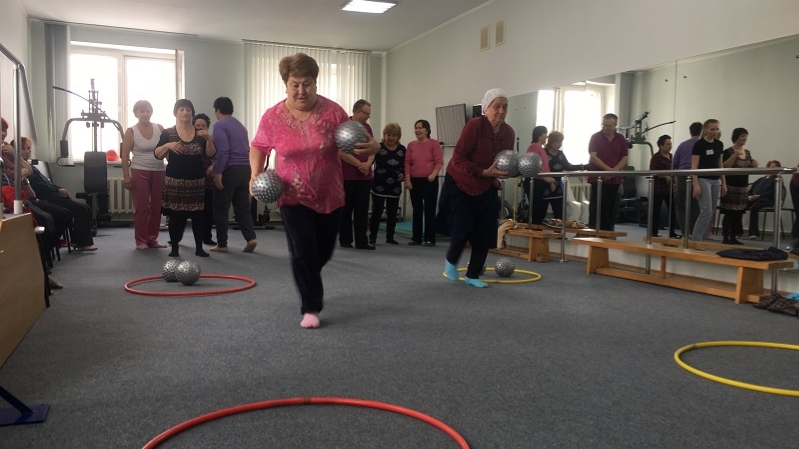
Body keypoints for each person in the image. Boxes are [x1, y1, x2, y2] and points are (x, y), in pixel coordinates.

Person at [249, 53, 380, 329]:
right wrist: (255, 173)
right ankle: (311, 306)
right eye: (294, 84)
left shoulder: (333, 112)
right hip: (291, 195)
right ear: (286, 84)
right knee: (303, 251)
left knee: (323, 253)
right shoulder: (273, 116)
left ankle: (308, 275)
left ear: (315, 83)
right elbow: (259, 146)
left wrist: (375, 147)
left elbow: (359, 139)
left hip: (330, 194)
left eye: (306, 83)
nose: (301, 90)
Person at [440, 88, 515, 288]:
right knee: (463, 226)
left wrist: (506, 172)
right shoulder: (475, 125)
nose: (501, 111)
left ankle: (473, 275)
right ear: (486, 108)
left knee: (486, 230)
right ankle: (451, 261)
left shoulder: (508, 132)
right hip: (461, 181)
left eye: (505, 106)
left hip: (486, 184)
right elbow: (458, 159)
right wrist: (482, 171)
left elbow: (506, 160)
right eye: (496, 106)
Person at [154, 99, 217, 258]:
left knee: (198, 216)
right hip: (174, 181)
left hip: (196, 182)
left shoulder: (200, 134)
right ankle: (174, 248)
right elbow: (157, 154)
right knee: (175, 216)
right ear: (175, 113)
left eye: (188, 110)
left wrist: (208, 139)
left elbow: (211, 154)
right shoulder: (168, 133)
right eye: (181, 109)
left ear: (192, 113)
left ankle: (199, 248)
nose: (185, 112)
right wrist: (168, 145)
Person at [21, 137, 98, 251]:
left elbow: (46, 183)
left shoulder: (31, 166)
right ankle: (83, 243)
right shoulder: (24, 169)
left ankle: (77, 240)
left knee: (85, 207)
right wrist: (58, 191)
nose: (27, 151)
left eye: (29, 148)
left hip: (52, 194)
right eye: (23, 149)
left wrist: (58, 189)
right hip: (46, 197)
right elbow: (40, 187)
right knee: (81, 209)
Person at [209, 97, 257, 253]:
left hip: (229, 170)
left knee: (221, 208)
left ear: (217, 110)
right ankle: (251, 238)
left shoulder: (219, 125)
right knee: (242, 207)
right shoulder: (241, 126)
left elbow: (223, 151)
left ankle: (222, 244)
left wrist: (218, 172)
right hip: (245, 170)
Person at [120, 100, 166, 250]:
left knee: (156, 207)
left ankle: (152, 239)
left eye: (148, 111)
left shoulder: (160, 128)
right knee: (142, 208)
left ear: (151, 112)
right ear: (135, 113)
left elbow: (166, 151)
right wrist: (126, 176)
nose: (145, 114)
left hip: (159, 170)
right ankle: (141, 240)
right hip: (139, 171)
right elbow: (124, 156)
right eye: (141, 111)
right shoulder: (131, 131)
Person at [339, 99, 375, 250]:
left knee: (362, 211)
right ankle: (345, 240)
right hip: (347, 177)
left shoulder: (367, 128)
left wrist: (368, 164)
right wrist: (359, 164)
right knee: (346, 210)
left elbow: (372, 149)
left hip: (365, 177)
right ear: (358, 112)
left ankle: (362, 241)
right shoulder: (344, 126)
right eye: (367, 113)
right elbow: (342, 152)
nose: (368, 116)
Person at [405, 119, 443, 246]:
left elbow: (439, 162)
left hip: (430, 180)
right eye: (416, 128)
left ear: (427, 130)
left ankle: (430, 238)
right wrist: (408, 180)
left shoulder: (434, 143)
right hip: (414, 181)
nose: (417, 130)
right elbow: (407, 163)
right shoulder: (411, 145)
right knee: (417, 210)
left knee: (429, 210)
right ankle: (416, 238)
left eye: (420, 128)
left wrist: (433, 175)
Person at [587, 113, 628, 231]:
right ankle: (595, 230)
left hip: (614, 179)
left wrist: (613, 172)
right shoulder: (595, 137)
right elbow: (593, 157)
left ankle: (609, 231)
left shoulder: (620, 138)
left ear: (615, 126)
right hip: (598, 178)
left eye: (609, 126)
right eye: (604, 125)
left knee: (611, 207)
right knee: (598, 207)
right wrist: (608, 170)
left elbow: (624, 158)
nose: (605, 128)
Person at [368, 123, 406, 245]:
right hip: (378, 186)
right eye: (388, 135)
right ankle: (372, 237)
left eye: (394, 135)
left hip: (394, 188)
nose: (391, 138)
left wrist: (403, 174)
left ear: (398, 137)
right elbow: (369, 162)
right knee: (376, 213)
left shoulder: (402, 150)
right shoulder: (378, 147)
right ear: (384, 135)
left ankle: (390, 237)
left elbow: (406, 166)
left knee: (392, 214)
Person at [691, 119, 727, 242]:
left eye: (717, 129)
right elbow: (694, 165)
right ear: (706, 130)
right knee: (706, 210)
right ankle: (696, 239)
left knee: (711, 211)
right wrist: (696, 184)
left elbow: (720, 164)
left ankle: (703, 237)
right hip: (703, 179)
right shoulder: (699, 144)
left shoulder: (719, 144)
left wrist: (724, 183)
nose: (715, 132)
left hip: (715, 180)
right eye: (712, 129)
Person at [720, 127, 757, 245]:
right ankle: (726, 237)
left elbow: (747, 168)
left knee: (738, 214)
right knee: (729, 213)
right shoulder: (728, 151)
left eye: (746, 136)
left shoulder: (748, 153)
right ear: (736, 137)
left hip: (743, 187)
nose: (745, 138)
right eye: (742, 136)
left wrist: (754, 166)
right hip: (730, 186)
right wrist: (735, 154)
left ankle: (734, 237)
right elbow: (725, 166)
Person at [672, 122, 702, 238]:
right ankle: (694, 232)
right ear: (702, 131)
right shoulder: (702, 144)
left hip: (682, 175)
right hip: (698, 176)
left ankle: (685, 232)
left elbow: (674, 163)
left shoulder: (683, 145)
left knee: (681, 206)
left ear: (690, 131)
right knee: (696, 205)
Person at [522, 126, 557, 224]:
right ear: (539, 135)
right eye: (545, 133)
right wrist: (546, 178)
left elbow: (545, 167)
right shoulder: (534, 147)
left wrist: (549, 181)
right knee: (537, 210)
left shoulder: (540, 148)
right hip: (535, 182)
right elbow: (531, 166)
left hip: (540, 182)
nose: (546, 136)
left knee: (541, 210)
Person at [542, 131, 581, 220]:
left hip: (558, 188)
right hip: (544, 187)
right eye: (558, 142)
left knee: (559, 214)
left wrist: (584, 166)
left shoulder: (560, 154)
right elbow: (541, 169)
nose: (560, 144)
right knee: (541, 214)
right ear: (552, 142)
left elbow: (568, 167)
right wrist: (549, 181)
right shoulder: (544, 153)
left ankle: (558, 229)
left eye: (561, 142)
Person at [193, 113, 217, 246]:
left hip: (207, 180)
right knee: (187, 210)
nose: (200, 128)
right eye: (197, 125)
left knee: (208, 210)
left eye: (203, 126)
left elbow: (216, 156)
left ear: (207, 128)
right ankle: (176, 237)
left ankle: (207, 236)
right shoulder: (188, 140)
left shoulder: (211, 140)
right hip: (192, 180)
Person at [648, 135, 678, 237]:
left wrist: (675, 180)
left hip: (669, 189)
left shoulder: (672, 157)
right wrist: (664, 175)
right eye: (667, 144)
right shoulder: (656, 157)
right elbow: (652, 171)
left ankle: (672, 232)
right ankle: (654, 232)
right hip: (658, 189)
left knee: (672, 211)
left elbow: (675, 170)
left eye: (670, 144)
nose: (670, 146)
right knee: (656, 211)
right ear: (661, 145)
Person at [747, 160, 780, 240]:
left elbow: (773, 193)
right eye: (771, 167)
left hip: (766, 200)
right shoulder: (761, 179)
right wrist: (749, 196)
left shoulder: (777, 180)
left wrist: (759, 196)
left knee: (754, 208)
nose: (772, 169)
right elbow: (751, 190)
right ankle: (737, 231)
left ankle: (753, 233)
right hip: (754, 198)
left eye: (774, 167)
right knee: (740, 206)